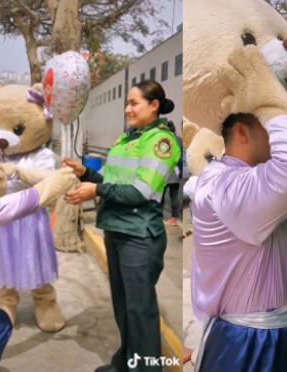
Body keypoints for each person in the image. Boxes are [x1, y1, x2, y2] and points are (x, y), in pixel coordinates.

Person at [190, 47, 287, 372]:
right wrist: (267, 97)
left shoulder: (248, 182)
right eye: (269, 125)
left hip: (278, 329)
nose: (277, 136)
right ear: (242, 132)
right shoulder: (223, 187)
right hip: (246, 340)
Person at [64, 80, 180, 372]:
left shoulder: (160, 142)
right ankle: (126, 363)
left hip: (139, 237)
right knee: (124, 307)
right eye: (126, 103)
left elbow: (140, 192)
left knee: (140, 311)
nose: (127, 108)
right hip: (117, 231)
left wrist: (96, 191)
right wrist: (87, 173)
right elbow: (110, 180)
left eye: (134, 103)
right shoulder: (127, 139)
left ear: (154, 106)